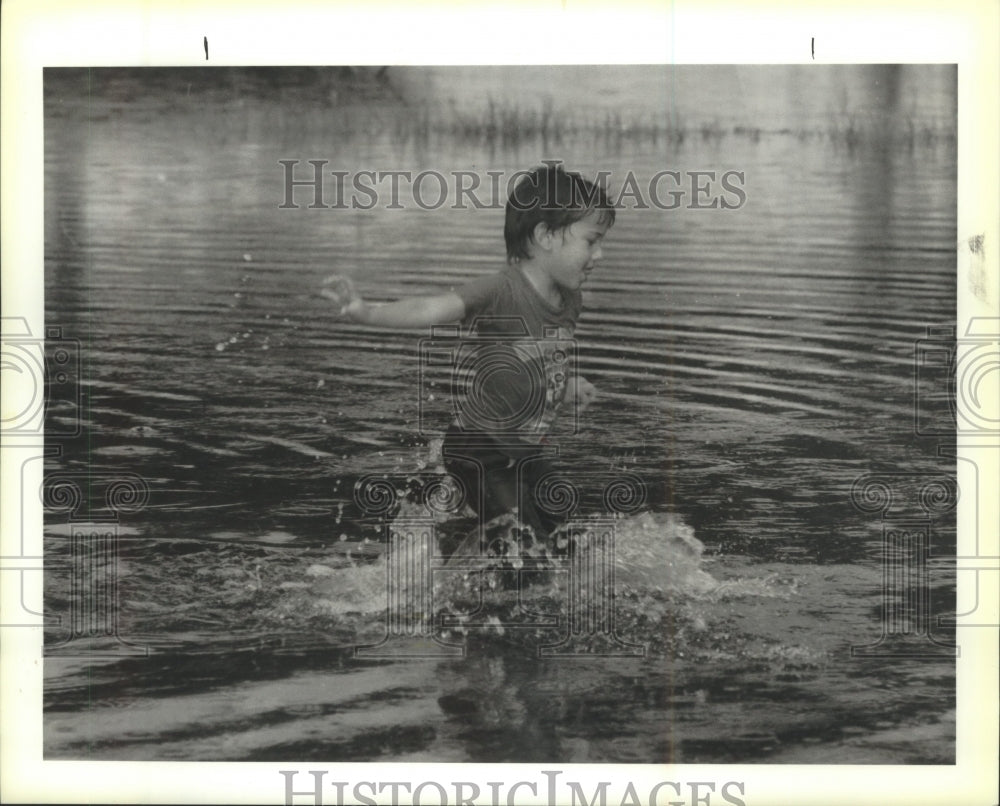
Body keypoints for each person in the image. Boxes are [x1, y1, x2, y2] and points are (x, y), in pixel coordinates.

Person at [322, 162, 615, 559]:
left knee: (570, 544)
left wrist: (567, 386)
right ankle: (486, 594)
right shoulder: (501, 290)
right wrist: (364, 311)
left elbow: (542, 361)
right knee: (527, 552)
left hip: (526, 451)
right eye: (592, 241)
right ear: (545, 236)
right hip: (479, 450)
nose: (600, 253)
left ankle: (459, 546)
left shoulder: (570, 299)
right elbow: (429, 307)